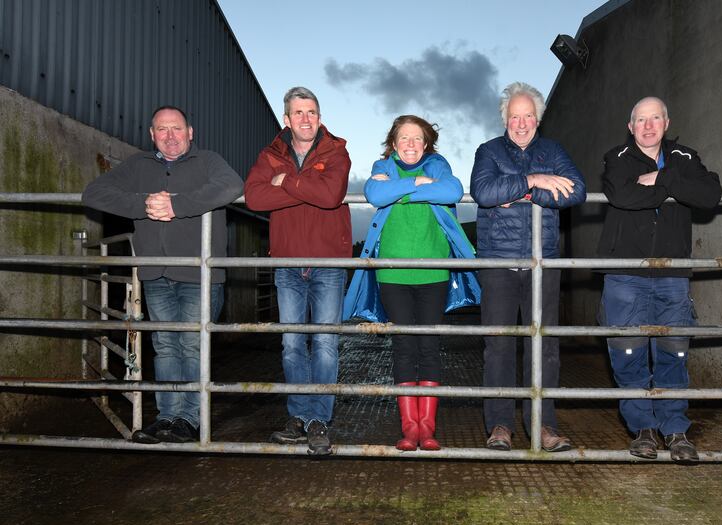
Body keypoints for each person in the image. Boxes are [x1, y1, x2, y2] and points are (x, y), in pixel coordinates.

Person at [82, 105, 243, 444]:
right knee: (165, 346)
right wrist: (143, 204)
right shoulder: (138, 165)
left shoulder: (209, 162)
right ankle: (166, 417)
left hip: (199, 274)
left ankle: (189, 419)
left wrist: (175, 205)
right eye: (162, 130)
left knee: (191, 345)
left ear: (190, 133)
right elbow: (94, 193)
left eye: (177, 129)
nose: (170, 136)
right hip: (156, 272)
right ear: (152, 134)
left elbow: (231, 185)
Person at [343, 115, 480, 451]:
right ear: (393, 143)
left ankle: (427, 429)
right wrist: (416, 184)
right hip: (392, 273)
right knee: (404, 347)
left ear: (426, 143)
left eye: (417, 138)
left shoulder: (437, 165)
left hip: (434, 271)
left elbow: (451, 190)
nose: (410, 144)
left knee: (430, 346)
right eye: (404, 138)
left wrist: (401, 192)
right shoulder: (383, 166)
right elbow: (375, 193)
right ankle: (409, 430)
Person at [597, 96, 721, 462]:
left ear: (666, 123)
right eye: (640, 120)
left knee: (673, 352)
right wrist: (675, 185)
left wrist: (662, 178)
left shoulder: (685, 158)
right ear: (630, 126)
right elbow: (623, 195)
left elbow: (709, 195)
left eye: (655, 119)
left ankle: (675, 429)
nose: (648, 126)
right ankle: (643, 430)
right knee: (628, 353)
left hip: (672, 274)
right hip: (625, 274)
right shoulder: (616, 158)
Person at [470, 82, 586, 452]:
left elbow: (577, 191)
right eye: (514, 116)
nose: (521, 123)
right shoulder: (488, 151)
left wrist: (516, 192)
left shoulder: (553, 150)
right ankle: (500, 425)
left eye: (528, 116)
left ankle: (542, 425)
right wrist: (535, 181)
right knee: (499, 347)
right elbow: (484, 192)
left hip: (542, 262)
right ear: (505, 118)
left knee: (545, 347)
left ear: (538, 118)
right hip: (499, 263)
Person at [244, 87, 351, 456]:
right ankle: (299, 417)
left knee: (324, 344)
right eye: (298, 113)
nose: (306, 118)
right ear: (286, 120)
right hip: (287, 263)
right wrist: (309, 187)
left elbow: (331, 195)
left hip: (328, 263)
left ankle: (320, 419)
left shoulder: (336, 151)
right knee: (292, 345)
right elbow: (256, 198)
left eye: (312, 112)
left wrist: (286, 182)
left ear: (319, 117)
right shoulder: (270, 154)